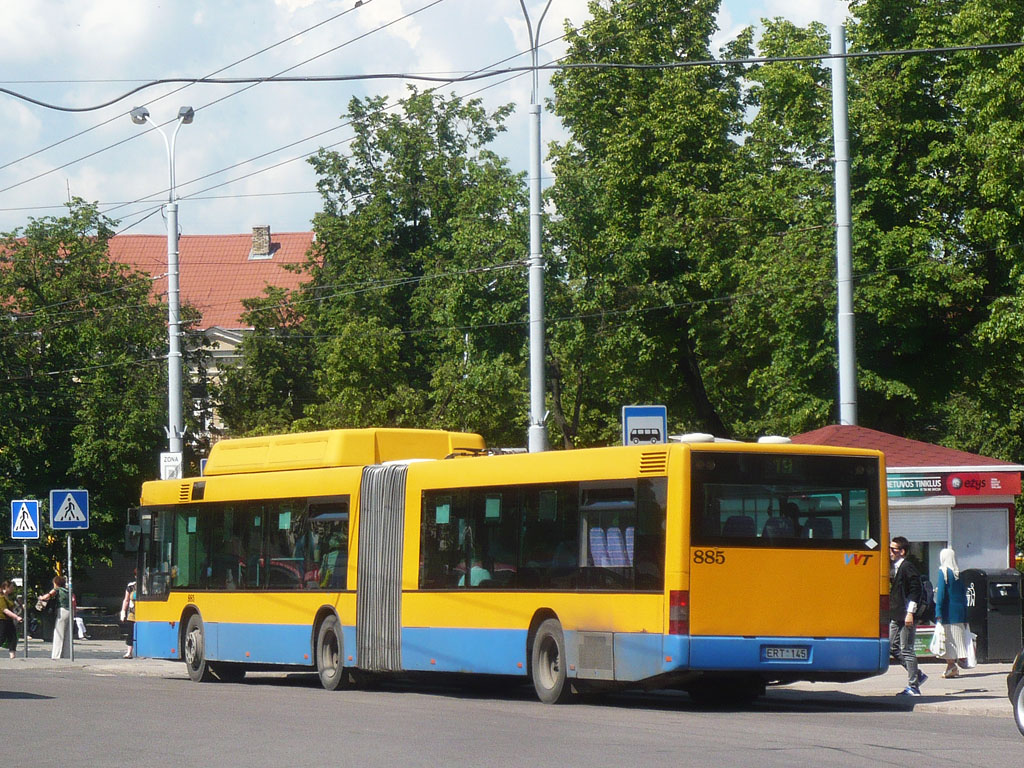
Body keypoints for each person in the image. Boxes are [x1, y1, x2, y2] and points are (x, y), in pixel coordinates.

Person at [889, 536, 928, 695]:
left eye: (893, 549)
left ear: (902, 551)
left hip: (906, 615)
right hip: (897, 614)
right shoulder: (896, 567)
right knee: (891, 646)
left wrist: (910, 613)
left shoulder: (908, 567)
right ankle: (917, 674)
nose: (890, 552)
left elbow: (915, 590)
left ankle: (914, 686)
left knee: (906, 650)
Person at [934, 547, 971, 678]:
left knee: (948, 640)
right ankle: (955, 664)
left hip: (948, 612)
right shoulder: (958, 573)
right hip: (959, 611)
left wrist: (938, 611)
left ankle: (951, 666)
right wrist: (965, 615)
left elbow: (941, 594)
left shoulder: (943, 571)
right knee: (957, 639)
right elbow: (963, 595)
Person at [40, 575, 72, 659]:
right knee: (67, 634)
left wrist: (41, 598)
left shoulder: (57, 589)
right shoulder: (67, 591)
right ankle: (67, 654)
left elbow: (47, 596)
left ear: (56, 583)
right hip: (70, 612)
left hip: (62, 611)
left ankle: (56, 655)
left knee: (59, 633)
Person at [0, 580, 23, 659]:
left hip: (9, 620)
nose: (13, 588)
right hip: (2, 620)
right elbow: (5, 610)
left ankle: (12, 656)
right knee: (1, 638)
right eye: (11, 587)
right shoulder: (1, 598)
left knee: (13, 637)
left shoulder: (8, 597)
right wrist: (16, 617)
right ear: (5, 587)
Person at [120, 572, 136, 659]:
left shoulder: (148, 585)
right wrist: (123, 612)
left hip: (145, 613)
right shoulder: (131, 586)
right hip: (133, 613)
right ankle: (129, 652)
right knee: (130, 633)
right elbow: (126, 600)